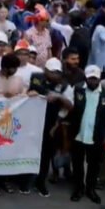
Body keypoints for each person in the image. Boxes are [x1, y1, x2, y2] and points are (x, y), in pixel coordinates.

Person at [62, 65, 105, 203]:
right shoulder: (76, 89)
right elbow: (67, 107)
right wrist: (61, 120)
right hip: (78, 134)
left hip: (96, 137)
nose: (92, 82)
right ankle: (79, 188)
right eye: (90, 79)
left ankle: (90, 189)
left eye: (95, 79)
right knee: (77, 164)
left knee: (94, 165)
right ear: (86, 78)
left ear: (99, 79)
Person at [27, 58, 70, 197]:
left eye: (58, 72)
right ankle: (25, 181)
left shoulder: (64, 86)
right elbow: (29, 91)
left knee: (46, 154)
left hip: (51, 124)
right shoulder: (36, 77)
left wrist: (60, 97)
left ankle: (41, 182)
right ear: (45, 70)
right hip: (32, 121)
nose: (55, 75)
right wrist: (34, 93)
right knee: (29, 150)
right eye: (52, 72)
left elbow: (69, 107)